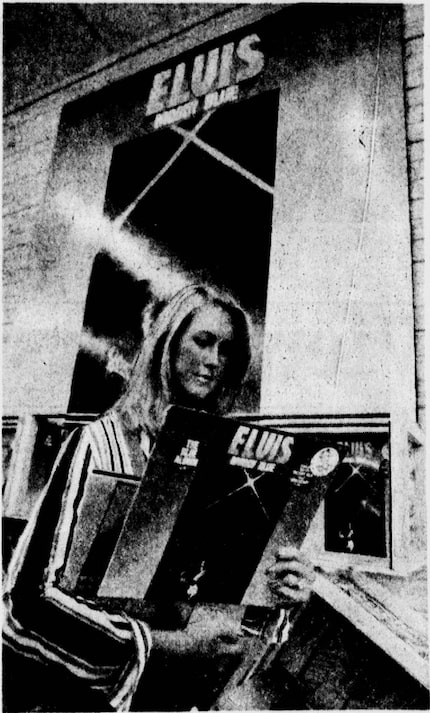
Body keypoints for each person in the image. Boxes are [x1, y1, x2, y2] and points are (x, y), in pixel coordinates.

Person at [3, 284, 314, 712]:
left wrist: (279, 594)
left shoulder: (227, 467)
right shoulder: (99, 444)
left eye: (226, 351)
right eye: (202, 341)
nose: (213, 362)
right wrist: (168, 644)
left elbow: (229, 625)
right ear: (168, 345)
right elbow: (27, 604)